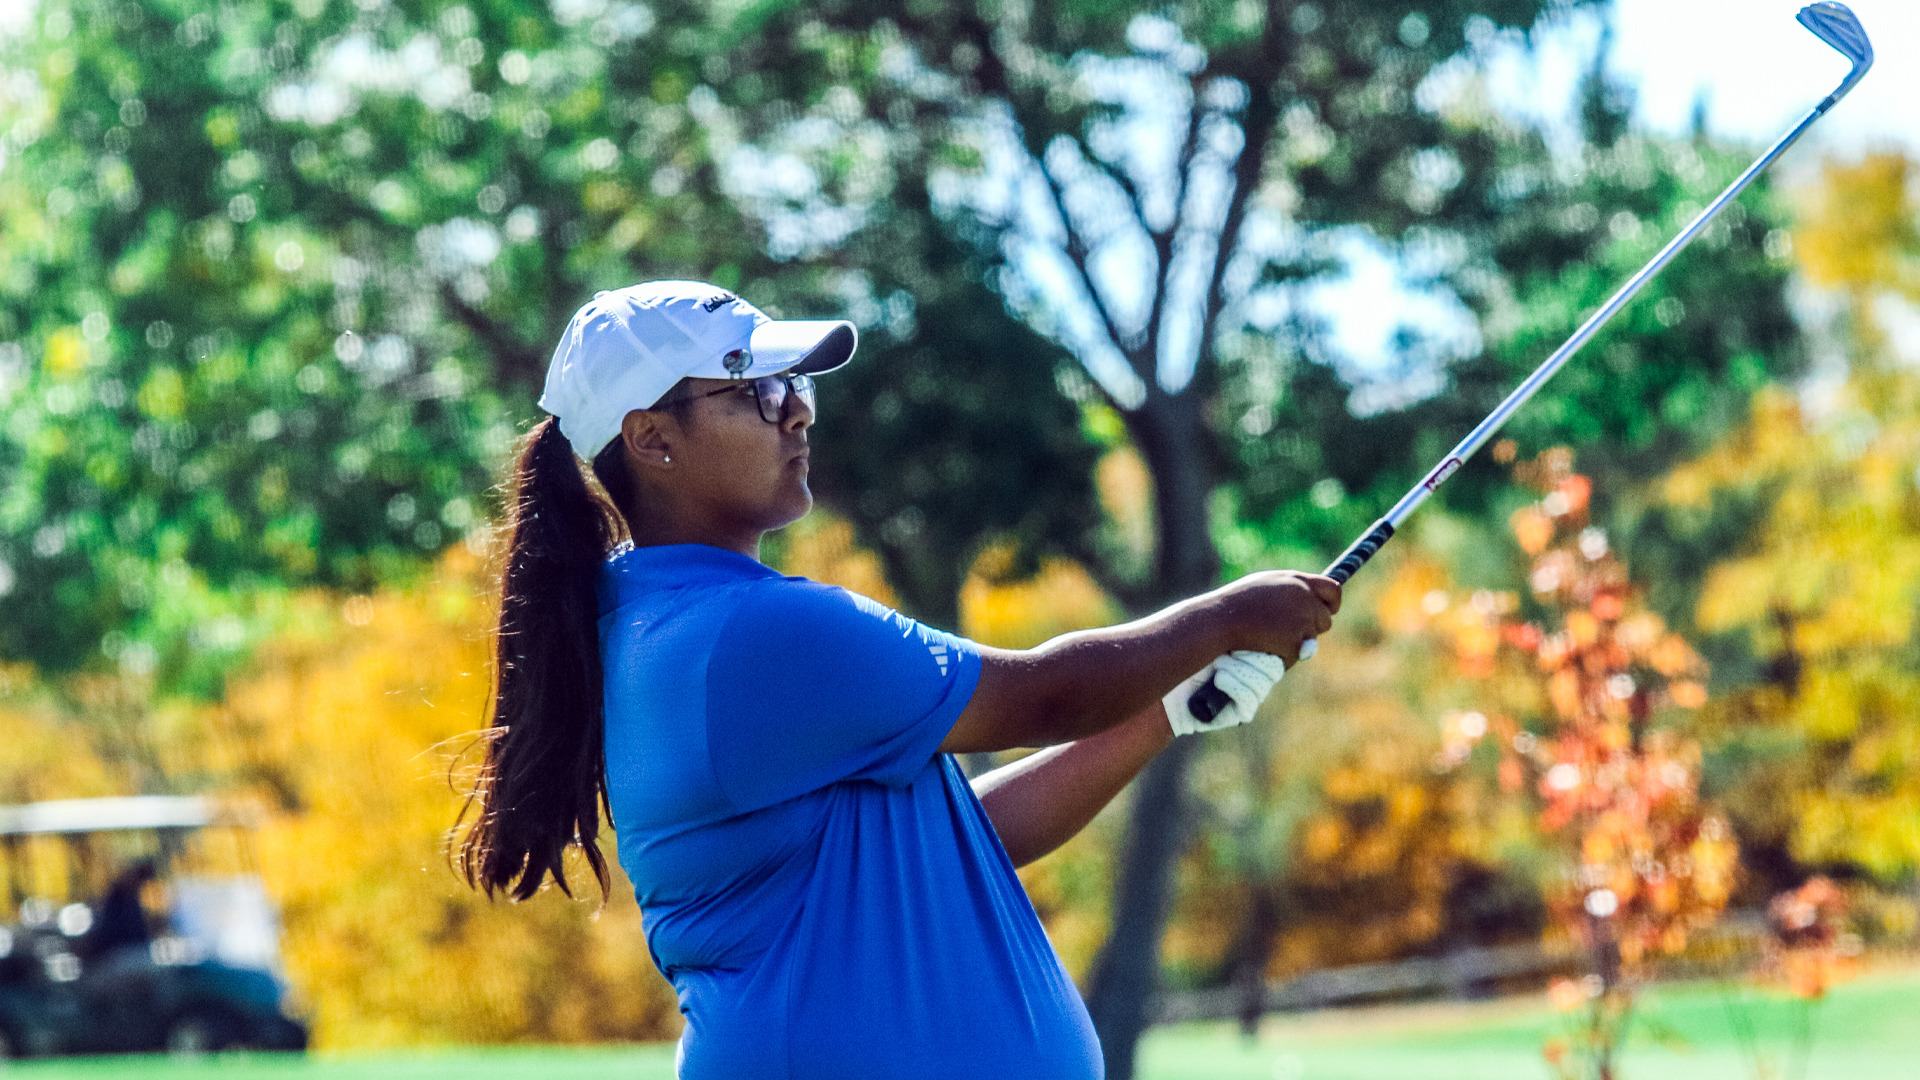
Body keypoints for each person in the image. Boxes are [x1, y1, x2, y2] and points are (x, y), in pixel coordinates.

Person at [457, 281, 1339, 1079]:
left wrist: (1163, 714)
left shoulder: (663, 624)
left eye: (795, 386)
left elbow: (964, 837)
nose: (795, 412)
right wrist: (1225, 615)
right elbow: (1046, 696)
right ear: (650, 438)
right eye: (755, 389)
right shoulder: (753, 633)